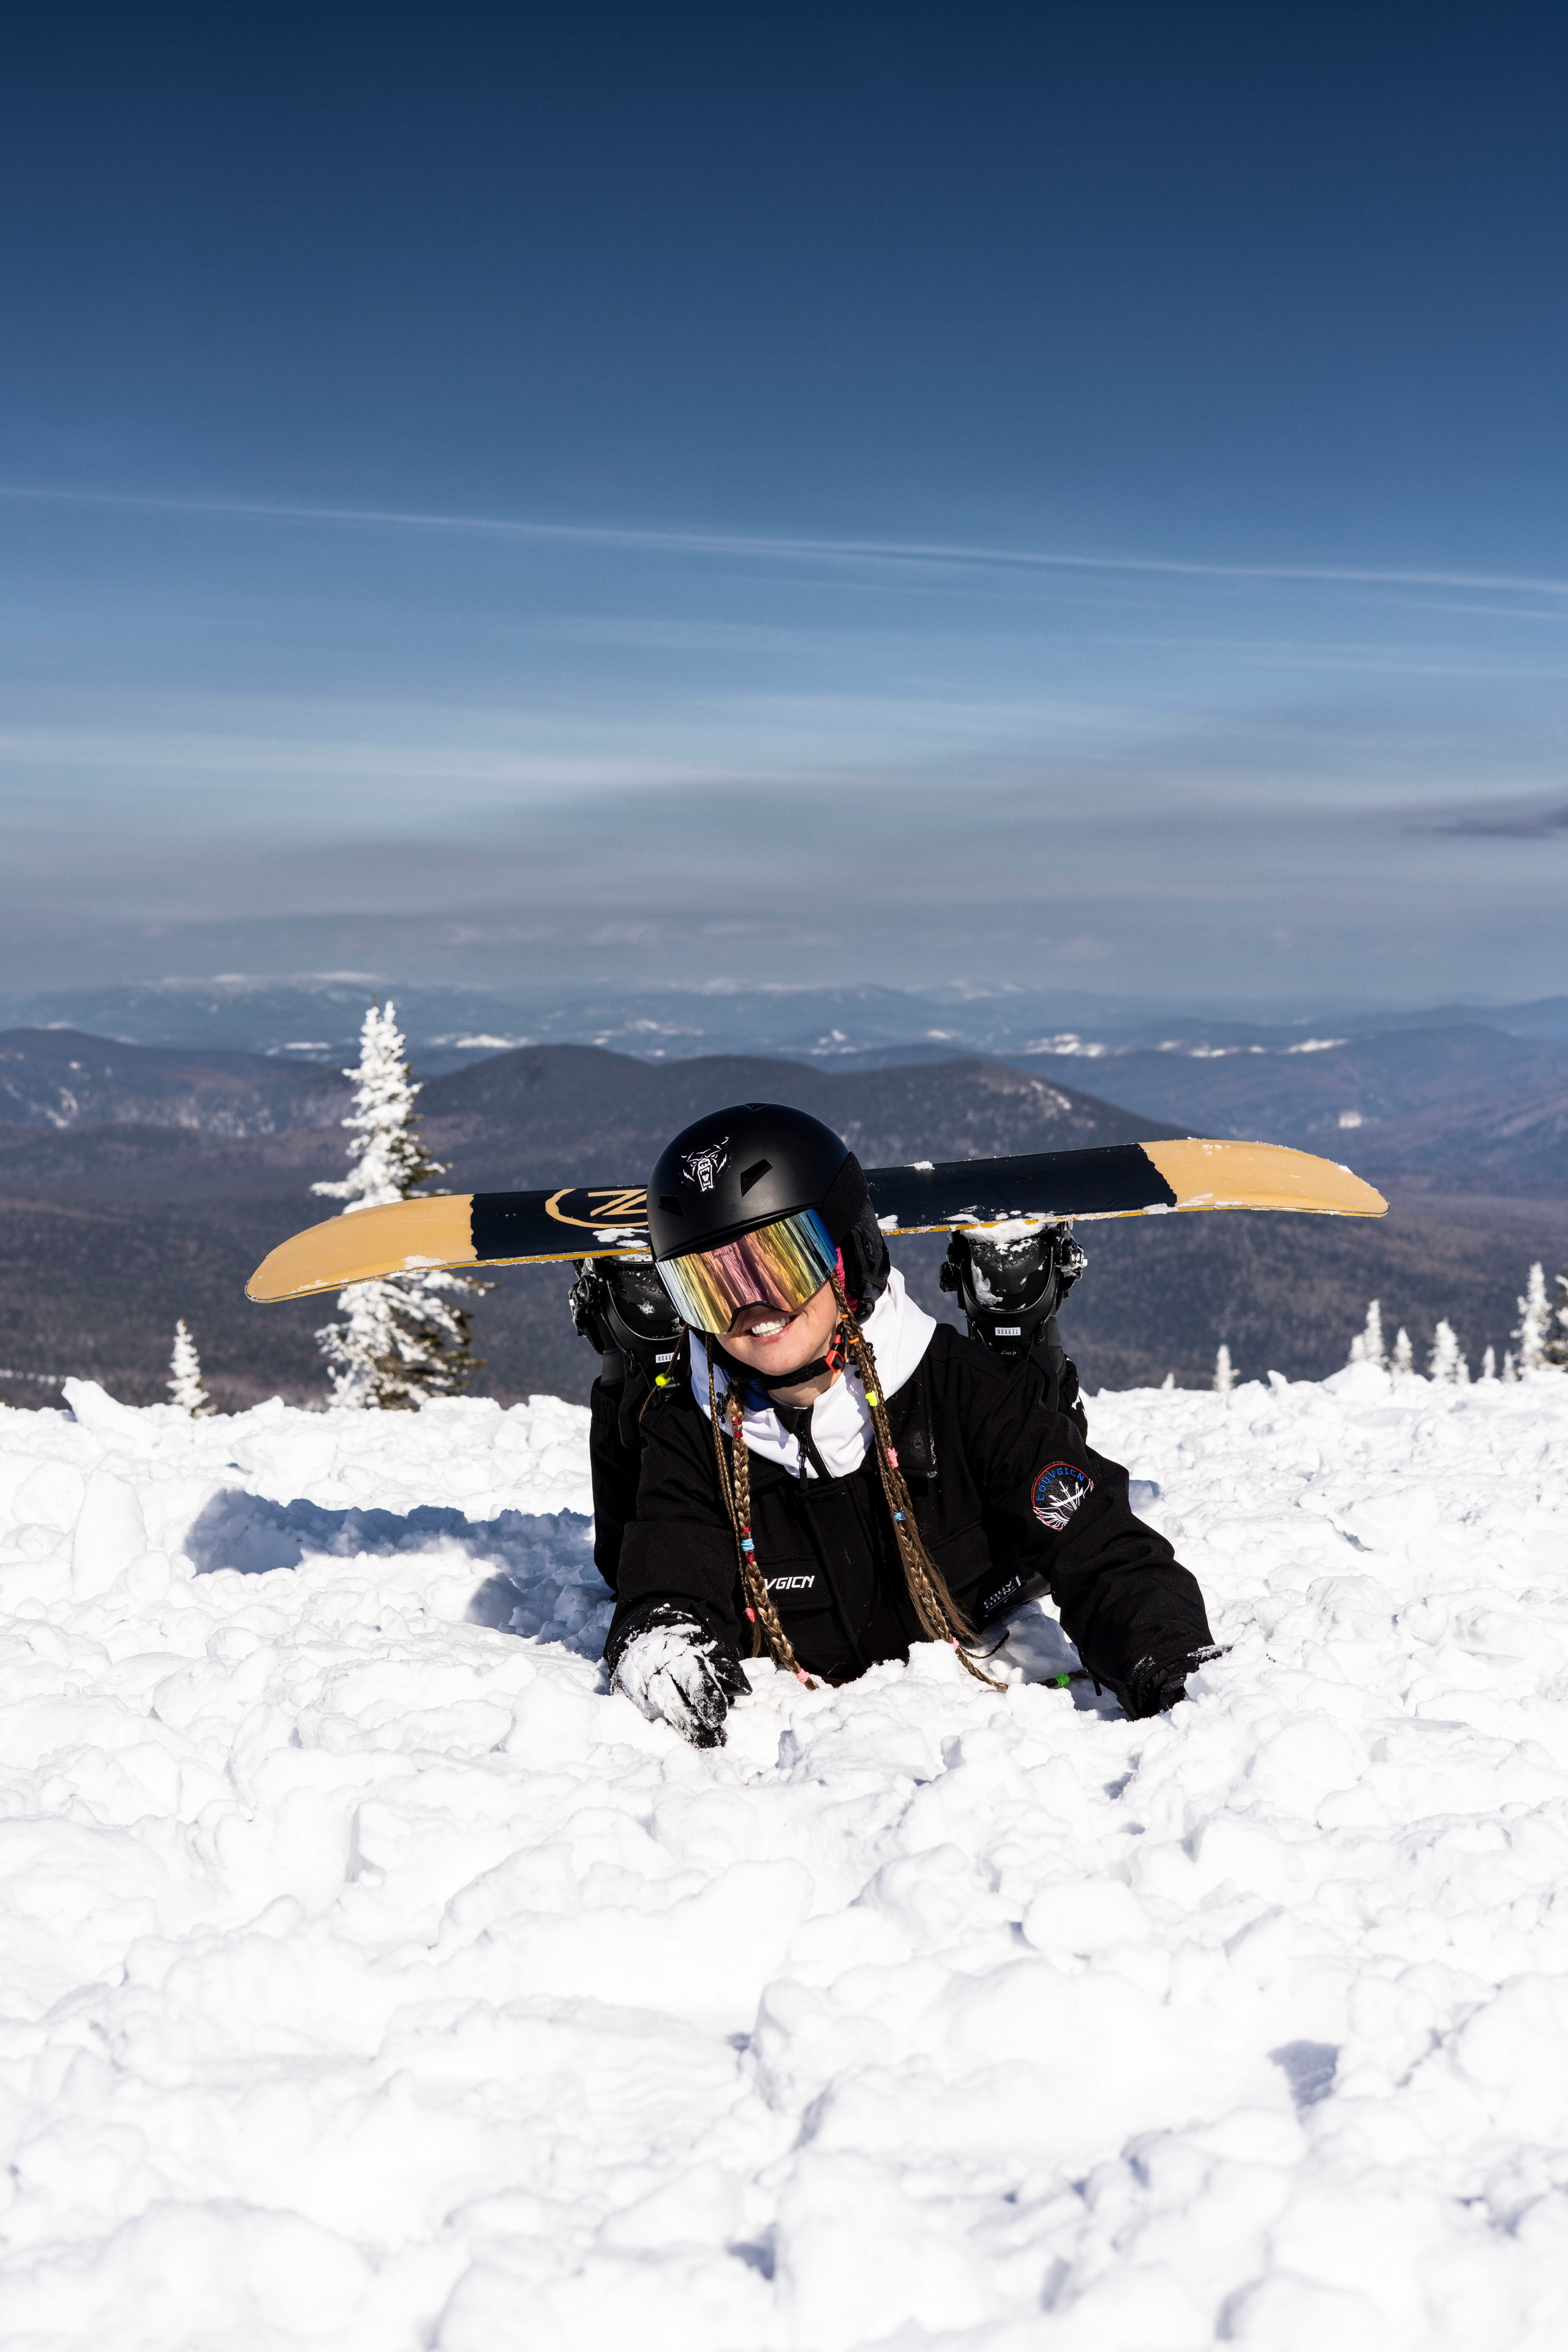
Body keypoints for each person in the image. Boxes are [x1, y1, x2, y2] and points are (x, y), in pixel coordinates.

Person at [597, 1102, 1218, 1747]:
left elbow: (1102, 1549)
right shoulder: (695, 1432)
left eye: (778, 1266)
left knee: (1032, 1427)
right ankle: (639, 1336)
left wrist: (1166, 1660)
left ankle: (1013, 1304)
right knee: (622, 1547)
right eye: (709, 1288)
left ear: (846, 1256)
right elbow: (664, 1578)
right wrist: (663, 1636)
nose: (752, 1307)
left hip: (979, 1588)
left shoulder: (959, 1389)